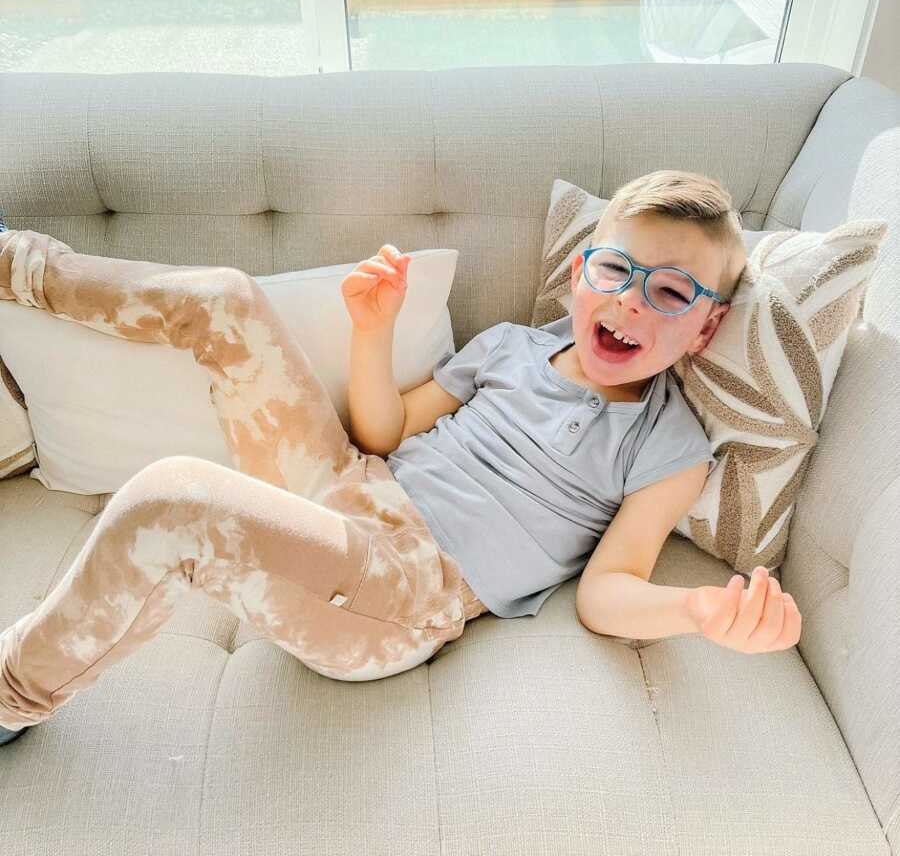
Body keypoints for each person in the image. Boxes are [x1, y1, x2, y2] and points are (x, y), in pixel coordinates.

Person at [0, 170, 800, 747]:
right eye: (617, 271)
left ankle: (11, 696)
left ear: (705, 330)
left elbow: (607, 593)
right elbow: (383, 432)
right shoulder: (512, 348)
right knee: (225, 297)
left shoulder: (669, 446)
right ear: (578, 275)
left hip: (402, 594)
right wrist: (371, 329)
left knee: (170, 499)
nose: (630, 301)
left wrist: (694, 615)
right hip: (348, 487)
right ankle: (16, 264)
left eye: (669, 294)